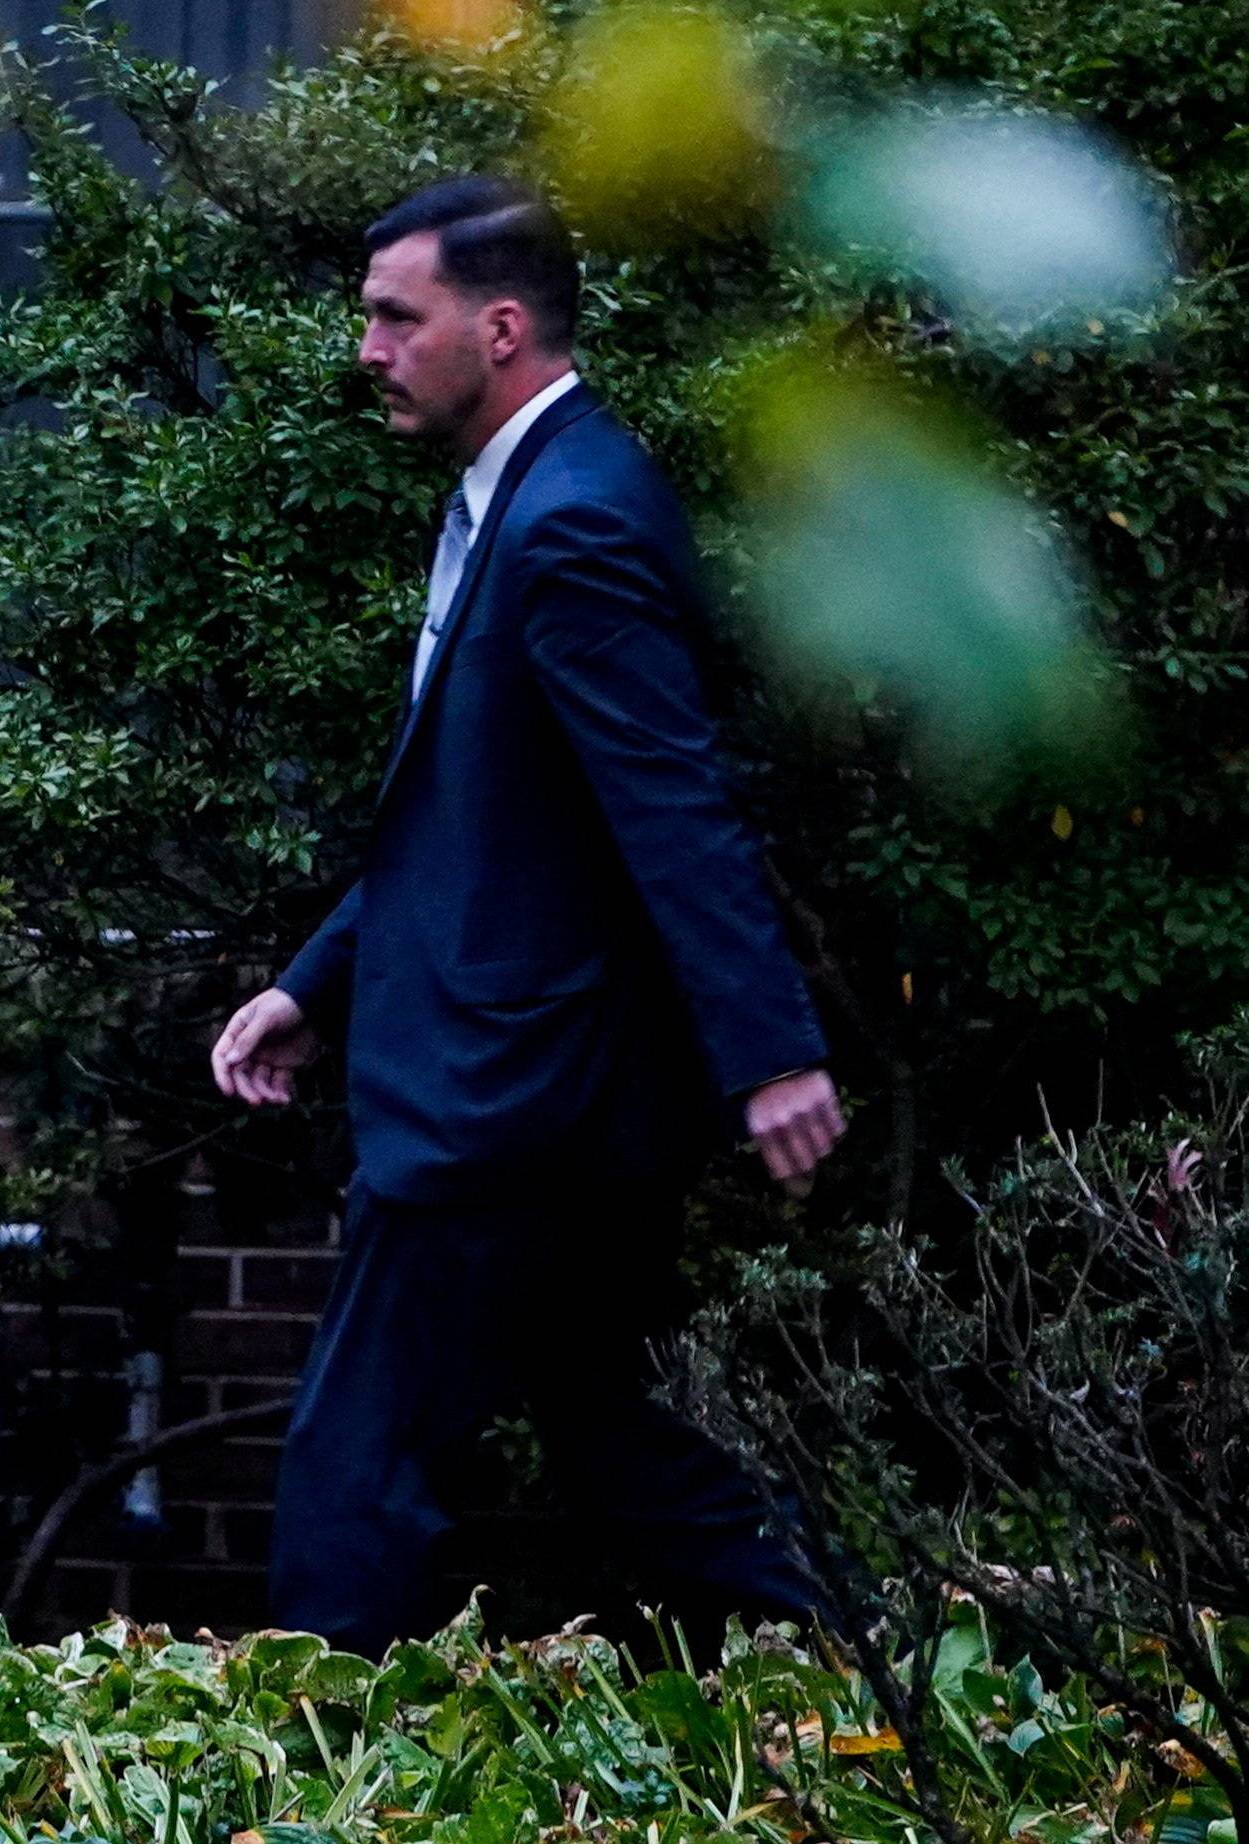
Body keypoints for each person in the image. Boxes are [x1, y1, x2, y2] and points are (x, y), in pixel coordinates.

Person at [208, 178, 848, 1654]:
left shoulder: (571, 522)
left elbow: (670, 805)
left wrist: (771, 1052)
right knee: (633, 1447)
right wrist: (315, 984)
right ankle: (898, 1689)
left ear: (498, 329)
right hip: (555, 1097)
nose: (368, 348)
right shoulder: (547, 493)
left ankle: (314, 1755)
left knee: (355, 1474)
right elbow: (485, 812)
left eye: (396, 317)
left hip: (502, 1103)